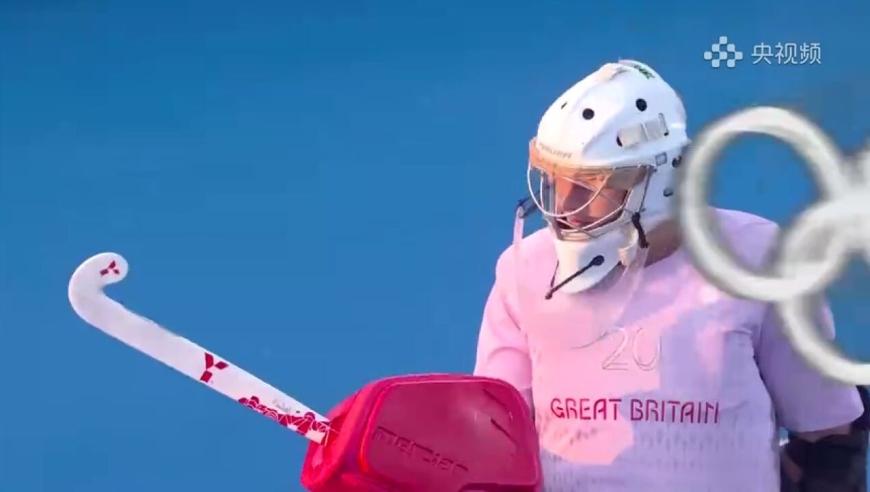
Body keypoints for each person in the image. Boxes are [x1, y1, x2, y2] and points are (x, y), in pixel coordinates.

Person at [472, 59, 868, 491]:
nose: (563, 207)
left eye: (592, 184)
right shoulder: (524, 270)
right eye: (554, 180)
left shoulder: (760, 261)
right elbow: (492, 442)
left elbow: (830, 445)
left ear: (660, 180)